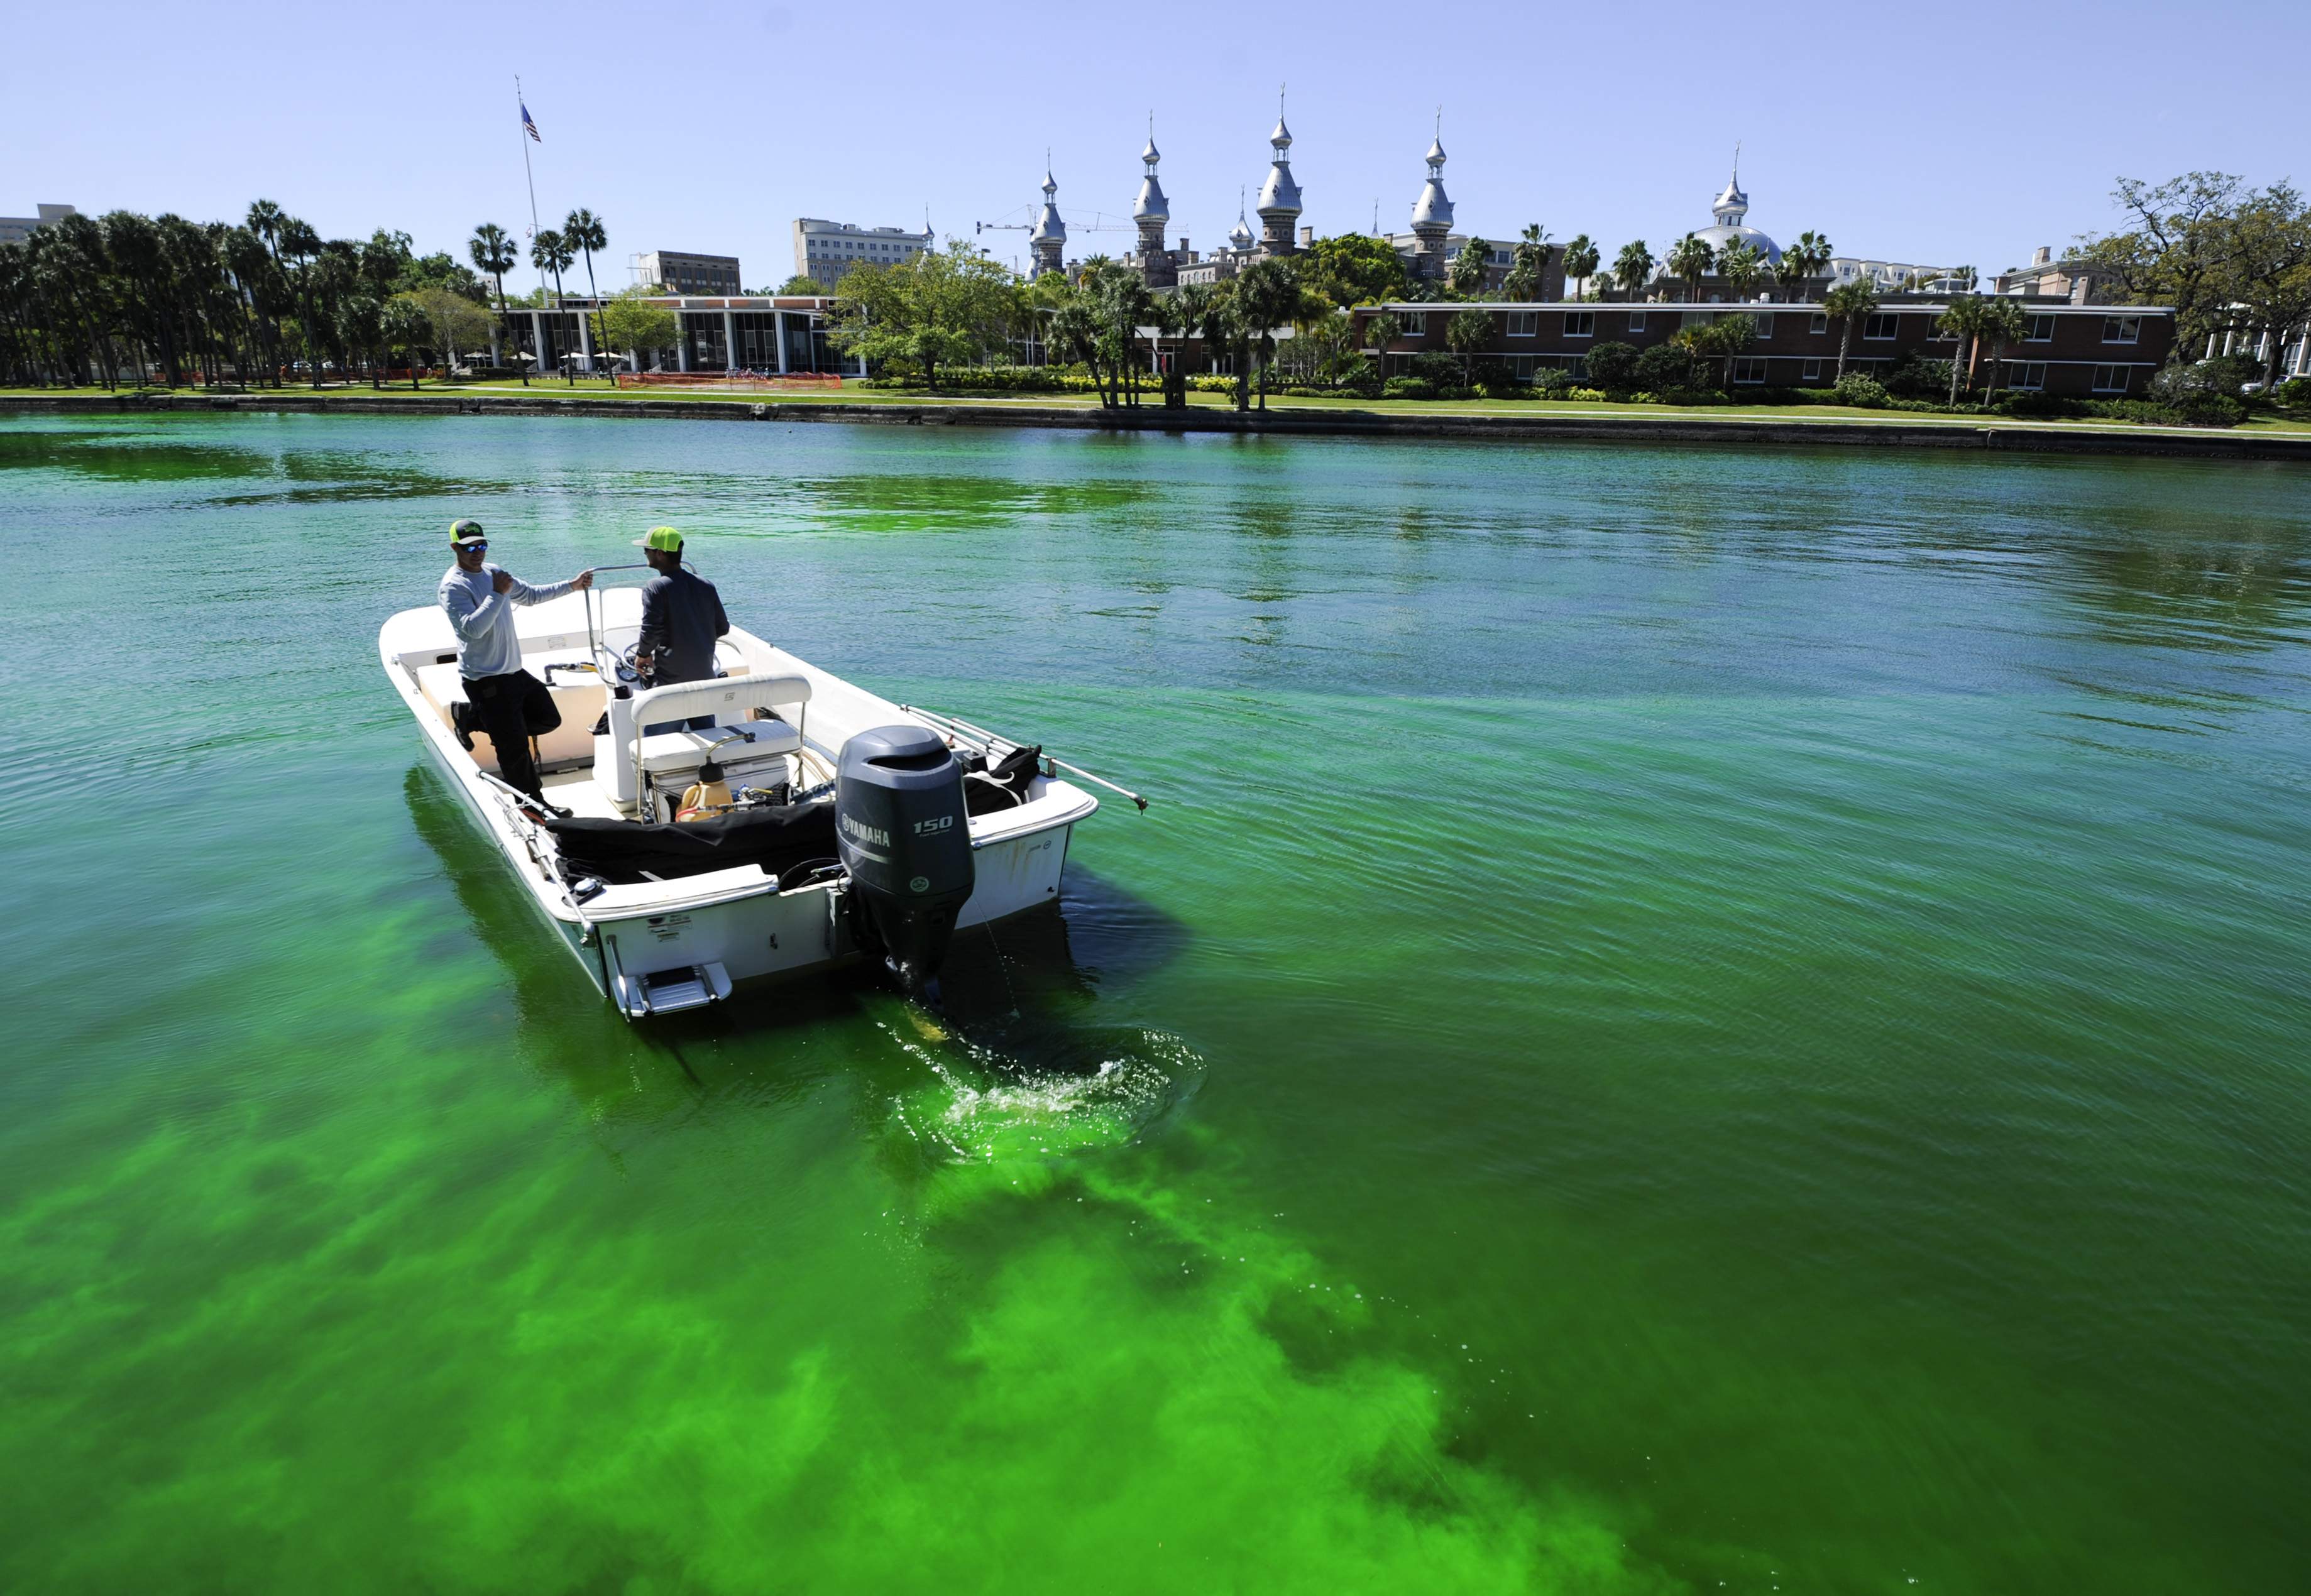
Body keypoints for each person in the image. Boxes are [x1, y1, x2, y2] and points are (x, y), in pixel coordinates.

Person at [437, 519, 593, 800]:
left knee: (548, 718)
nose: (477, 552)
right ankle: (533, 807)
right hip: (485, 678)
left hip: (513, 672)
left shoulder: (494, 573)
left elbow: (531, 596)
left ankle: (471, 717)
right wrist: (497, 594)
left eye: (482, 545)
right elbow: (473, 628)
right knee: (514, 748)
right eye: (469, 547)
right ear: (454, 548)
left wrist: (573, 585)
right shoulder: (453, 587)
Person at [631, 526, 729, 734]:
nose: (645, 553)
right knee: (706, 735)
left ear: (659, 553)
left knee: (655, 742)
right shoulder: (706, 585)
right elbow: (723, 627)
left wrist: (643, 655)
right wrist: (697, 639)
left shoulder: (655, 587)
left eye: (647, 549)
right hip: (705, 678)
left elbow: (651, 630)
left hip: (671, 683)